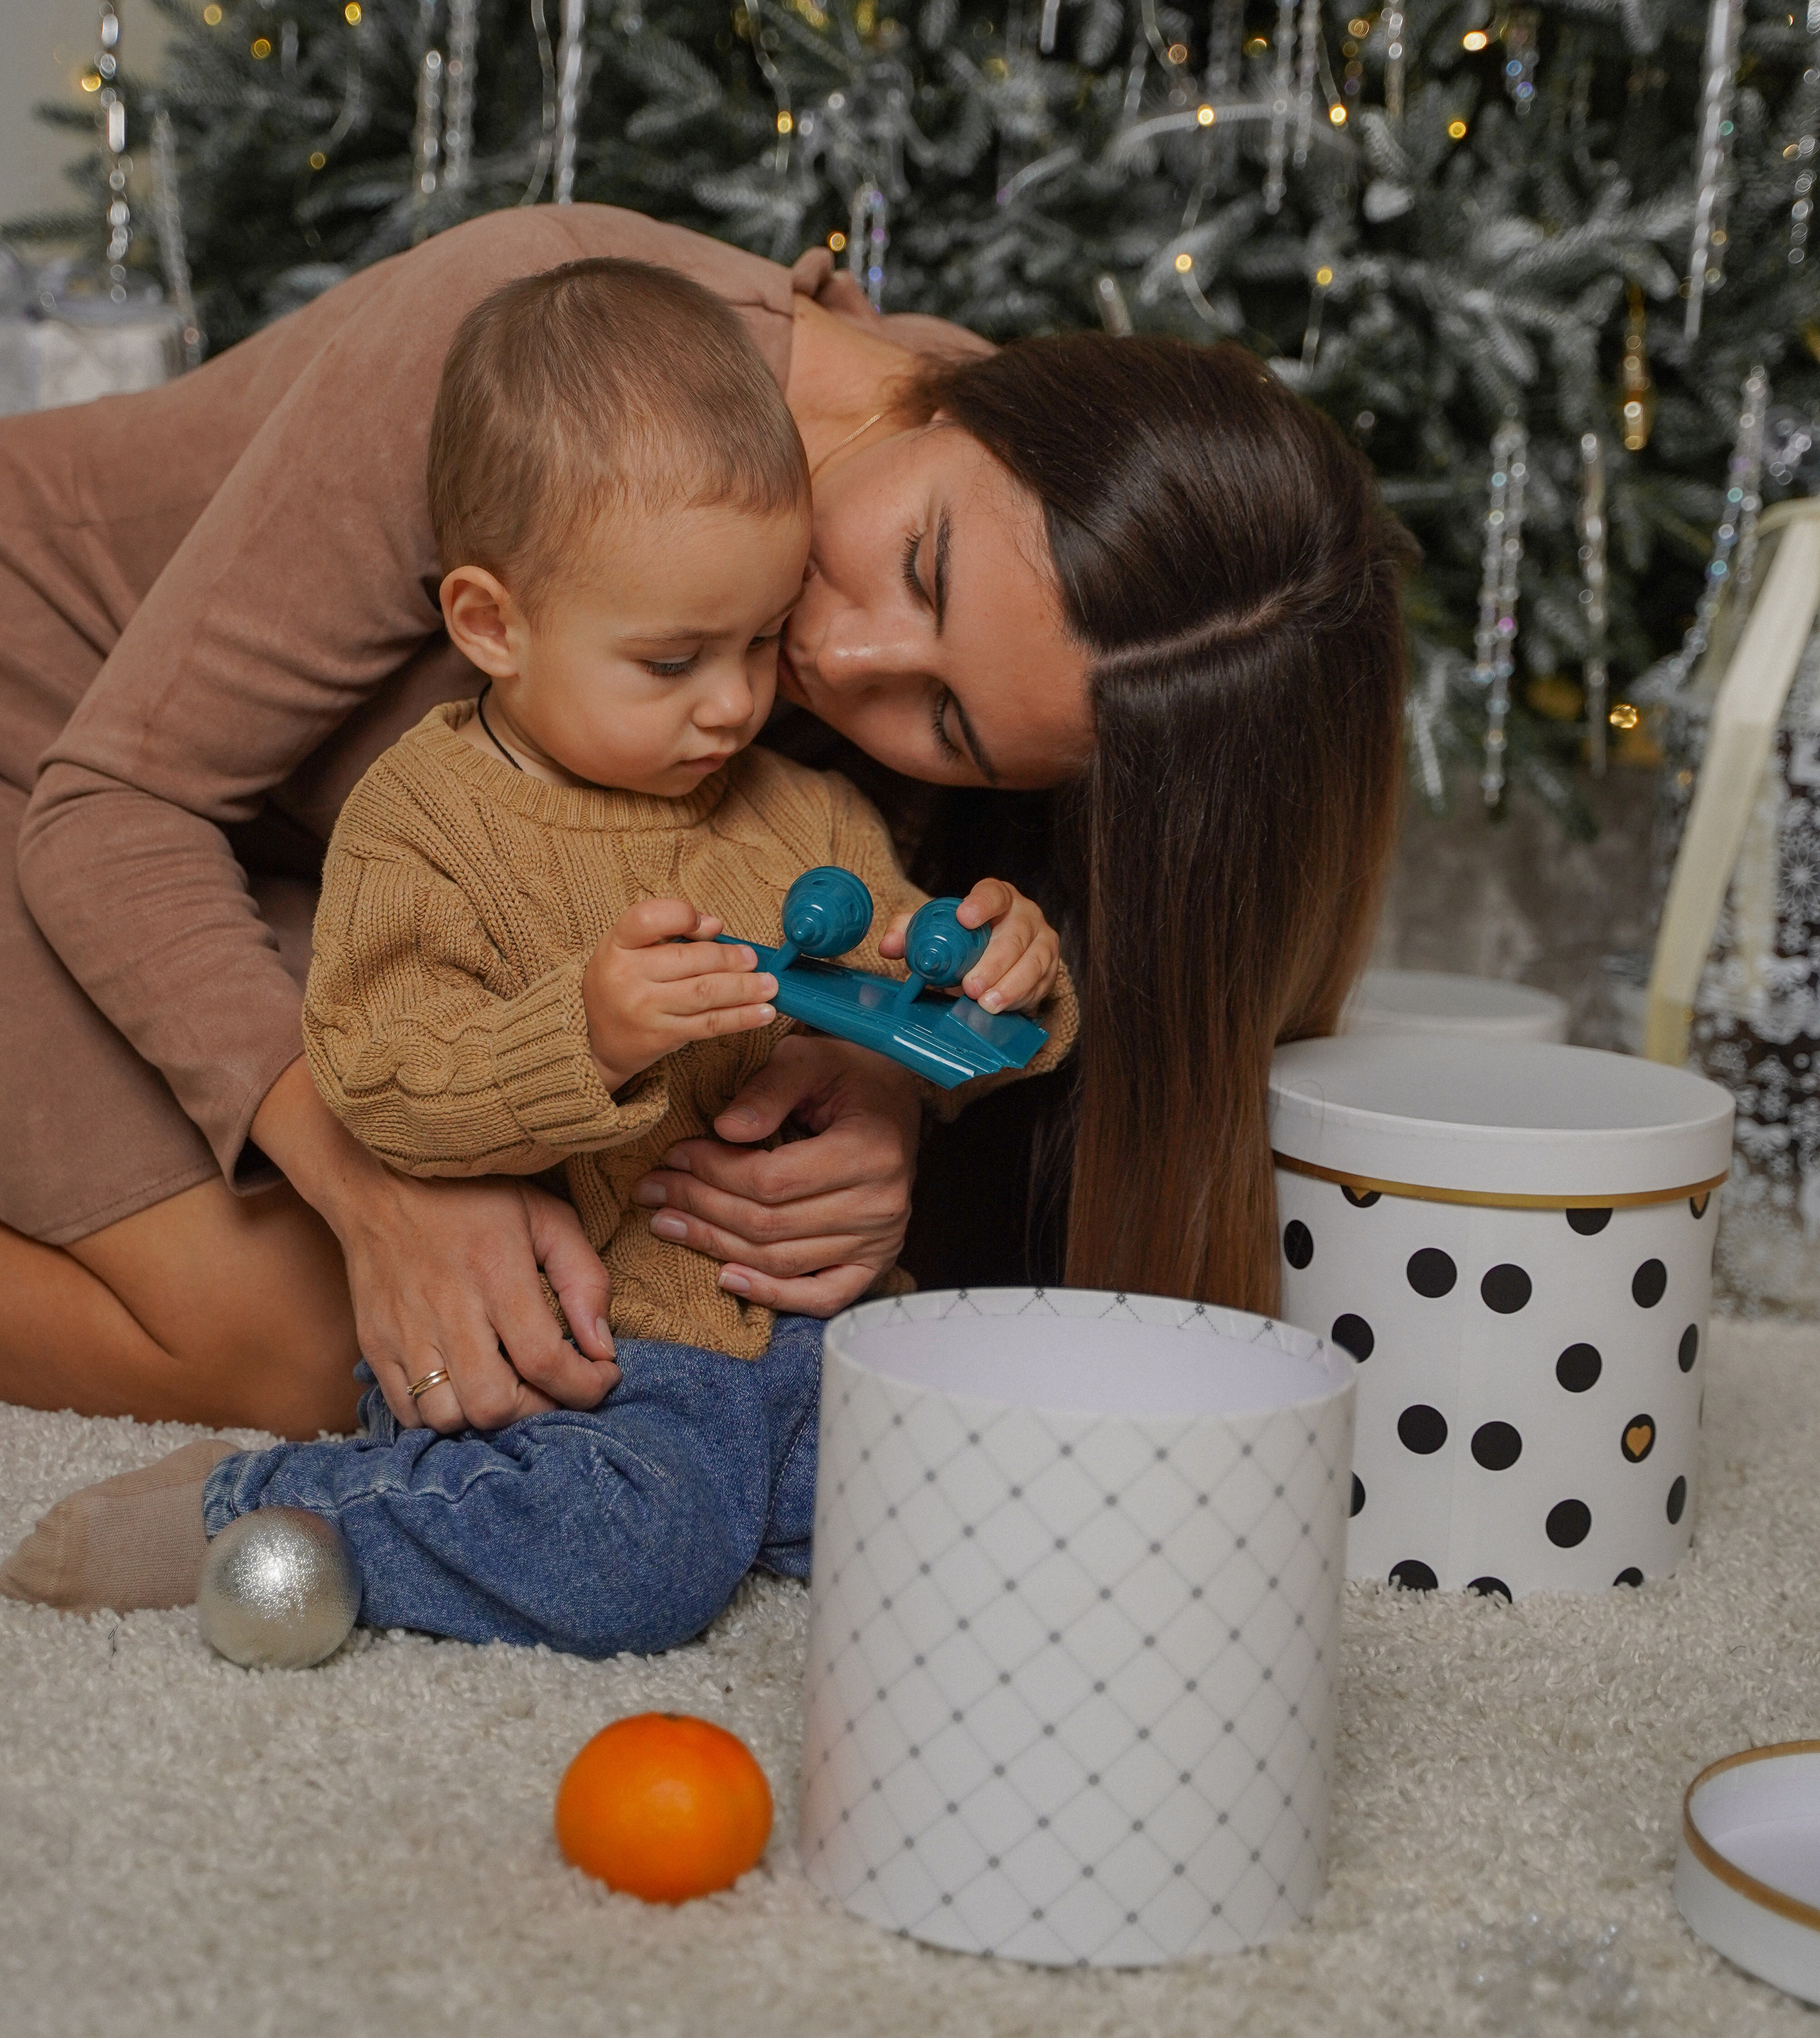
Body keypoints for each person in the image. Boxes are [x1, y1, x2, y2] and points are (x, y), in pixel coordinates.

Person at [0, 202, 1408, 1449]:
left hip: (315, 873)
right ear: (960, 401)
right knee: (310, 1347)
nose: (844, 664)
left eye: (952, 727)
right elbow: (119, 807)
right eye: (916, 565)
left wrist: (878, 1100)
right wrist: (375, 1181)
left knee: (563, 1297)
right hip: (58, 759)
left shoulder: (1052, 615)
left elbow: (820, 896)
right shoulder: (516, 333)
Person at [1, 259, 1073, 1644]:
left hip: (744, 1318)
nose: (771, 689)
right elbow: (353, 1012)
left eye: (756, 643)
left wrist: (956, 1024)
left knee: (929, 1495)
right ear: (489, 625)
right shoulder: (448, 751)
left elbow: (890, 979)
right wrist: (450, 1137)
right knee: (336, 1355)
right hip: (59, 778)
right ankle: (253, 1508)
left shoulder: (793, 774)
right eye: (681, 661)